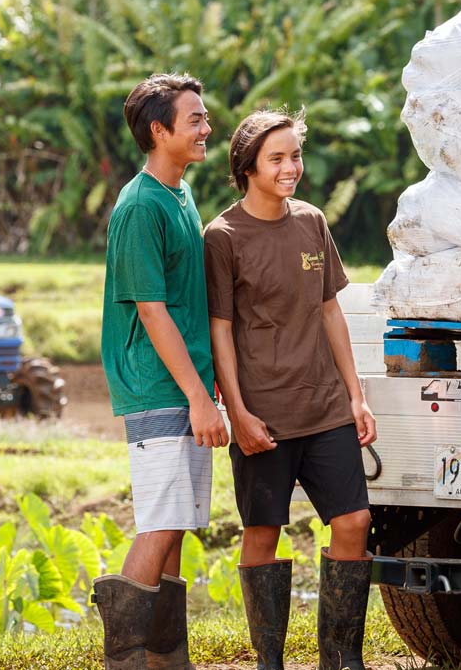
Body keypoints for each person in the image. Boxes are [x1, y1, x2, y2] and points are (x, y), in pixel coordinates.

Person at [203, 109, 378, 670]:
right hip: (265, 417)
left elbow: (330, 311)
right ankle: (269, 664)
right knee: (262, 533)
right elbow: (220, 332)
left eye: (294, 156)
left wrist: (356, 395)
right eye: (276, 158)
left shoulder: (311, 222)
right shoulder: (223, 235)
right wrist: (238, 411)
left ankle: (340, 660)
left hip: (325, 405)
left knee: (353, 521)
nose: (291, 168)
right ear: (247, 165)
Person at [91, 73, 230, 670]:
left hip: (184, 383)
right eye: (194, 119)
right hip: (158, 386)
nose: (206, 129)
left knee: (175, 525)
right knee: (158, 524)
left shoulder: (178, 193)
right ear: (159, 130)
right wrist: (200, 397)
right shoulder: (140, 205)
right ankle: (122, 661)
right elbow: (151, 311)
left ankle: (168, 662)